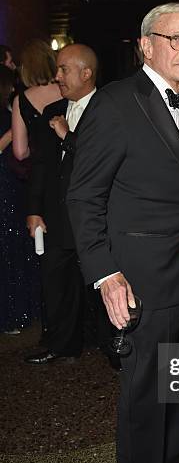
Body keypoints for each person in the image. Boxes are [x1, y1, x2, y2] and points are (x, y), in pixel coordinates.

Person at [66, 3, 179, 463]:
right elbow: (84, 197)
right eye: (175, 40)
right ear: (145, 45)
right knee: (144, 394)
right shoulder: (114, 103)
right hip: (140, 279)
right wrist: (105, 273)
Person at [23, 44, 100, 365]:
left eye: (63, 70)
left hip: (96, 216)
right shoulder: (52, 110)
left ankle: (113, 348)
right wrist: (33, 209)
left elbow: (99, 162)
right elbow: (40, 166)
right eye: (57, 69)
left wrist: (68, 136)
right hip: (56, 215)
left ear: (86, 73)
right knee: (56, 283)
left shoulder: (109, 110)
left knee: (100, 283)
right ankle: (61, 345)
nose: (57, 76)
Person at [0, 65, 40, 333]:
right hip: (4, 184)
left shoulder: (9, 108)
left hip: (13, 182)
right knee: (8, 246)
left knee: (15, 246)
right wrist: (12, 134)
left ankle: (20, 310)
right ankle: (10, 315)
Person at [12, 39, 62, 163]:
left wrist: (36, 151)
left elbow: (20, 152)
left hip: (39, 173)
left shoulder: (20, 100)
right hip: (68, 167)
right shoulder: (67, 91)